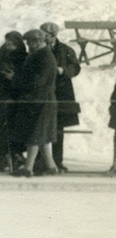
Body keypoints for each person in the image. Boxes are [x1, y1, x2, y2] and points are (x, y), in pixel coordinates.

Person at [12, 29, 57, 177]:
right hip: (41, 100)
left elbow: (38, 81)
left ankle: (28, 168)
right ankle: (51, 167)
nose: (28, 45)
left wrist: (17, 79)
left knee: (34, 135)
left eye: (29, 42)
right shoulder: (42, 55)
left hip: (40, 101)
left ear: (37, 41)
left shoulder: (44, 57)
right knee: (42, 135)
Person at [40, 22, 80, 172]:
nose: (44, 39)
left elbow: (76, 67)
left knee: (59, 129)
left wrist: (63, 70)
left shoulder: (66, 50)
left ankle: (57, 161)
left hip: (62, 93)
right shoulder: (39, 49)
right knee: (41, 127)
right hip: (44, 92)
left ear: (53, 35)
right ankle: (41, 162)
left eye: (46, 35)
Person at [0, 31, 26, 172]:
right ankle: (0, 157)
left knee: (13, 128)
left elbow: (25, 77)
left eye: (11, 41)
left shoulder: (23, 56)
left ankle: (15, 156)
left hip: (14, 98)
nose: (8, 44)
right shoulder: (0, 54)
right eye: (7, 41)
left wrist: (14, 78)